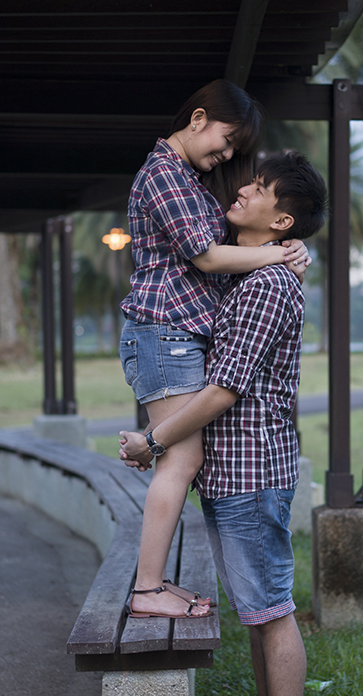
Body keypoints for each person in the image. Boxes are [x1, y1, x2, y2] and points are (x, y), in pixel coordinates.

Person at [118, 151, 328, 696]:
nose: (243, 189)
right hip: (233, 470)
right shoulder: (250, 272)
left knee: (271, 611)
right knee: (257, 612)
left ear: (282, 220)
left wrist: (152, 441)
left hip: (252, 472)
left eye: (260, 188)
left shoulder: (265, 286)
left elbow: (222, 390)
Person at [119, 79, 310, 619]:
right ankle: (148, 588)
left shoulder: (187, 179)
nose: (225, 156)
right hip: (164, 332)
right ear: (198, 118)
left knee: (182, 457)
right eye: (226, 142)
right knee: (180, 456)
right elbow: (206, 257)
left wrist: (286, 246)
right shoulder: (163, 173)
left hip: (176, 336)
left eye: (233, 152)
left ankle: (153, 585)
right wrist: (278, 254)